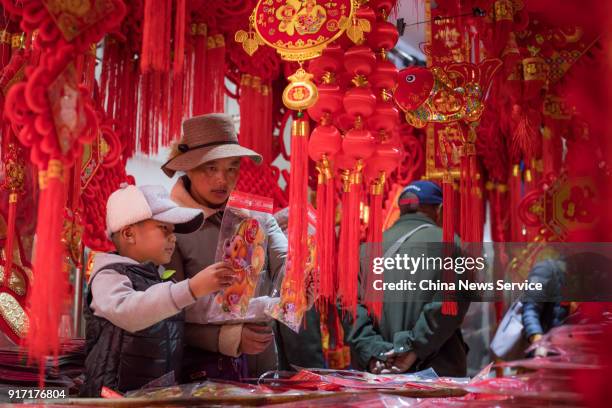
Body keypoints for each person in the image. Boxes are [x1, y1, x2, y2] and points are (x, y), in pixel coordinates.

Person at [162, 113, 287, 380]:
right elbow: (165, 314)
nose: (223, 179)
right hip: (199, 376)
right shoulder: (168, 226)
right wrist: (226, 337)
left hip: (261, 370)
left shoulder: (258, 217)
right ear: (189, 168)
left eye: (232, 168)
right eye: (211, 168)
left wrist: (301, 281)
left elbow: (286, 261)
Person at [81, 184, 235, 396]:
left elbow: (200, 309)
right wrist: (192, 287)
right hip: (111, 398)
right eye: (164, 228)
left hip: (152, 397)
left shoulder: (155, 277)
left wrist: (262, 306)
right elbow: (129, 311)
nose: (173, 237)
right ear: (129, 234)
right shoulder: (108, 276)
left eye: (173, 231)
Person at [347, 180, 470, 377]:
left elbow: (348, 305)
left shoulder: (365, 250)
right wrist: (412, 348)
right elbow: (449, 305)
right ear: (439, 209)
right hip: (437, 372)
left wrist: (373, 352)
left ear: (401, 209)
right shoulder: (453, 245)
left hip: (377, 372)